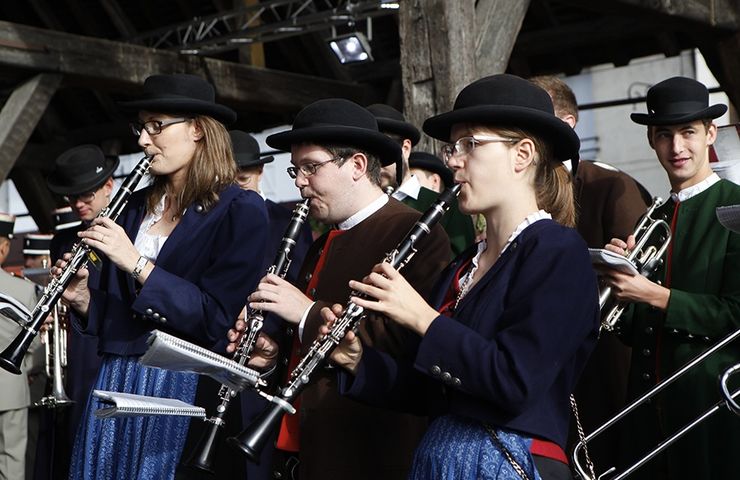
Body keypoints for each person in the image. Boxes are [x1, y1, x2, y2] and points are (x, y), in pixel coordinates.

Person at [322, 74, 600, 480]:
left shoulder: (558, 250)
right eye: (453, 147)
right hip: (442, 460)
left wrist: (421, 317)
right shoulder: (464, 265)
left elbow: (515, 382)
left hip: (509, 462)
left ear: (521, 154)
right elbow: (434, 391)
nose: (452, 159)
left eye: (470, 144)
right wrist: (358, 361)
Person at [55, 73, 268, 480]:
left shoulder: (241, 210)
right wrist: (83, 298)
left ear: (198, 130)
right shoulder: (133, 206)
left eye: (157, 126)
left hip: (182, 387)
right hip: (117, 377)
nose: (142, 140)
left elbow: (215, 319)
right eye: (141, 127)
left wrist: (136, 262)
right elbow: (122, 319)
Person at [239, 98, 451, 480]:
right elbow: (306, 348)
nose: (300, 181)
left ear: (356, 165)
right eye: (295, 170)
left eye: (311, 167)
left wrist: (305, 311)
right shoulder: (323, 241)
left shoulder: (415, 232)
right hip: (303, 450)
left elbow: (405, 344)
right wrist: (272, 356)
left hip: (367, 452)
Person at [599, 76, 740, 479]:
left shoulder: (736, 207)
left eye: (688, 133)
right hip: (647, 416)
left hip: (712, 417)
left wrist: (654, 294)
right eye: (664, 135)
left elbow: (735, 316)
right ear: (651, 140)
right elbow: (634, 332)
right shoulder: (652, 217)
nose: (676, 148)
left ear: (711, 133)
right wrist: (619, 281)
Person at [530, 75, 650, 466]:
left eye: (535, 118)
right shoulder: (520, 186)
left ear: (567, 125)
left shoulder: (610, 184)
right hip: (534, 360)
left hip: (598, 363)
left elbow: (637, 274)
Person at [34, 146, 119, 480]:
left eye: (87, 194)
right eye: (71, 198)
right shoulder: (63, 239)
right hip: (81, 351)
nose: (78, 203)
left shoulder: (131, 228)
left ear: (109, 185)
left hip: (117, 340)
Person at [367, 103, 475, 257]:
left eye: (382, 152)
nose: (373, 165)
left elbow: (457, 266)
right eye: (366, 156)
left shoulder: (449, 207)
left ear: (405, 148)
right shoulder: (353, 209)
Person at [0, 213, 40, 480]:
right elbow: (34, 349)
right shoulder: (23, 290)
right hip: (10, 389)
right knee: (12, 463)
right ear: (4, 248)